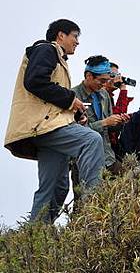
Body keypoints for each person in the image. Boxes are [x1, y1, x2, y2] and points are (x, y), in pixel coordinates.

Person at [4, 19, 104, 222]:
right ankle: (94, 207)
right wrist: (71, 100)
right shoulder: (46, 50)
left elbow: (48, 96)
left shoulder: (56, 57)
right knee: (91, 140)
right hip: (42, 126)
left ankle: (35, 238)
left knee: (55, 189)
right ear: (61, 35)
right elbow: (35, 82)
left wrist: (75, 113)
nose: (77, 42)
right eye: (75, 36)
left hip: (46, 127)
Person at [72, 55, 130, 174]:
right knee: (88, 193)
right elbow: (73, 132)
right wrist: (104, 123)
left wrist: (119, 122)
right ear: (89, 76)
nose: (104, 84)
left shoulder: (104, 95)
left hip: (108, 158)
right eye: (102, 80)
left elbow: (109, 128)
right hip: (85, 161)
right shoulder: (73, 96)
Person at [104, 61, 134, 157]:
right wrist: (123, 90)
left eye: (118, 75)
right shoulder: (99, 95)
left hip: (111, 146)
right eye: (112, 75)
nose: (117, 79)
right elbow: (116, 116)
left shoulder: (109, 96)